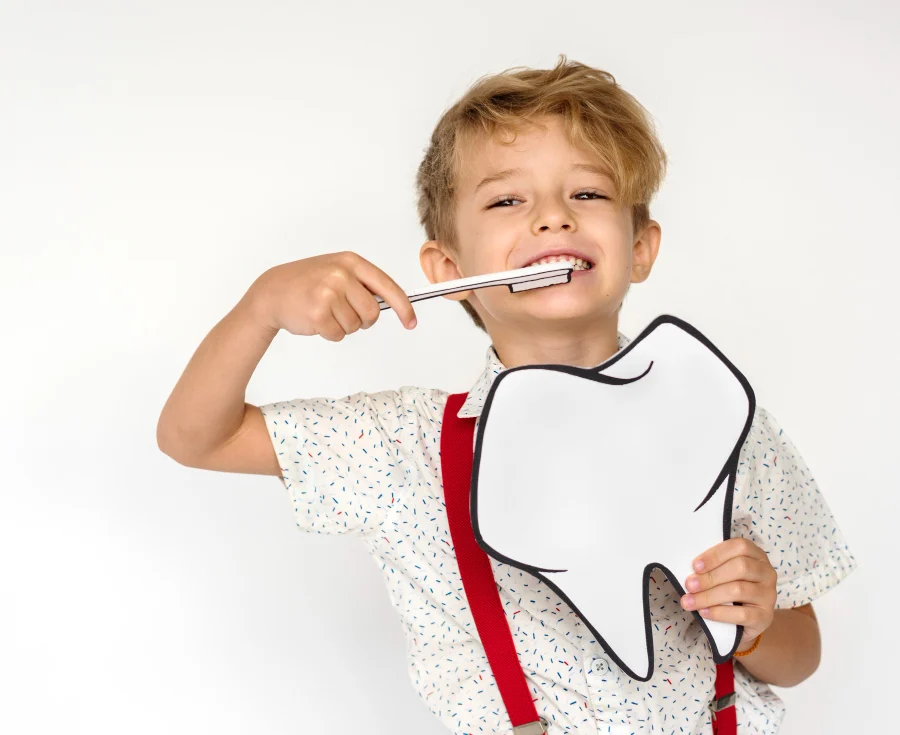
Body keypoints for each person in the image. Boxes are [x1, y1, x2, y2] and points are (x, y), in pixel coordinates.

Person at [156, 55, 857, 734]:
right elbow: (197, 436)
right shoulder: (405, 444)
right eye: (506, 199)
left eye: (587, 192)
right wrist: (260, 309)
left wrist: (756, 624)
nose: (552, 217)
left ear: (640, 246)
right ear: (447, 266)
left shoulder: (721, 418)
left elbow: (803, 652)